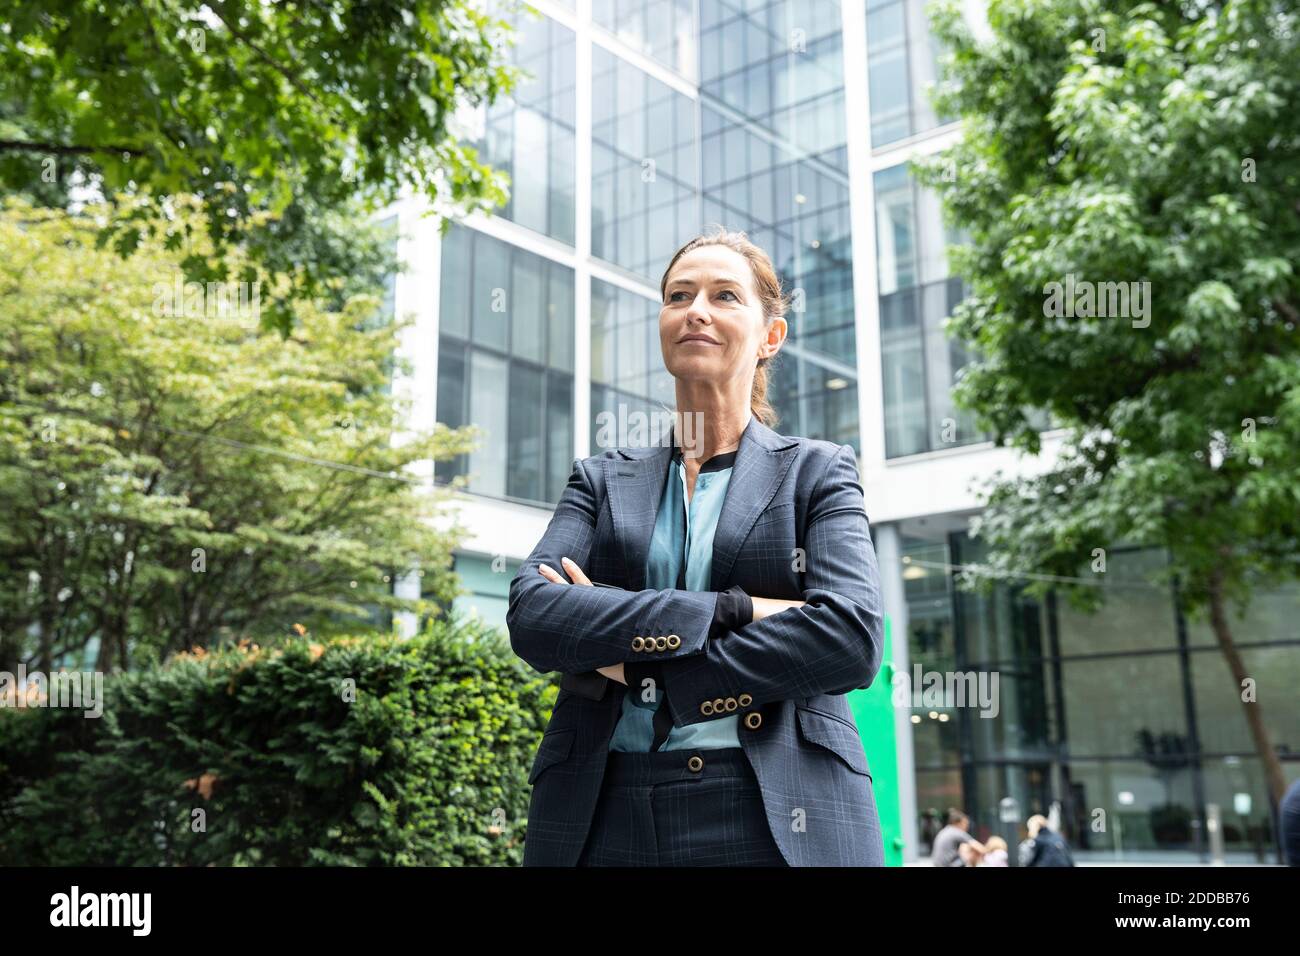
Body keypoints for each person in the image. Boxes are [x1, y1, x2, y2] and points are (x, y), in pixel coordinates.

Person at [508, 228, 887, 867]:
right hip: (604, 808)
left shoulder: (818, 473)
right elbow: (535, 617)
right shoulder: (601, 479)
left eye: (724, 295)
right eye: (679, 295)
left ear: (771, 336)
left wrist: (654, 674)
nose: (696, 310)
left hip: (772, 809)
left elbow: (849, 638)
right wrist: (731, 609)